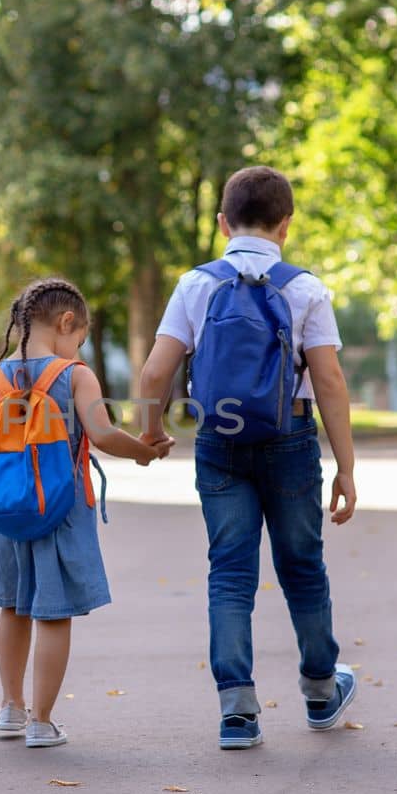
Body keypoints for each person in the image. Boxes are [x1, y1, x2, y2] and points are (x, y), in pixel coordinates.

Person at [137, 166, 359, 750]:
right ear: (286, 225)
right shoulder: (304, 288)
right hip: (289, 440)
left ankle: (237, 711)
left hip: (219, 442)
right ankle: (319, 690)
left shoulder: (195, 285)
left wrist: (150, 432)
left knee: (230, 575)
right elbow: (330, 382)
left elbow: (157, 370)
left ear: (221, 224)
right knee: (302, 568)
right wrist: (347, 467)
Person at [0, 277, 173, 748]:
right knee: (52, 613)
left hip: (5, 512)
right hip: (61, 508)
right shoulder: (74, 375)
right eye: (81, 338)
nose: (78, 348)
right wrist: (144, 452)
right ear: (67, 322)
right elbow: (103, 433)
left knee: (11, 606)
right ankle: (42, 721)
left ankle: (11, 708)